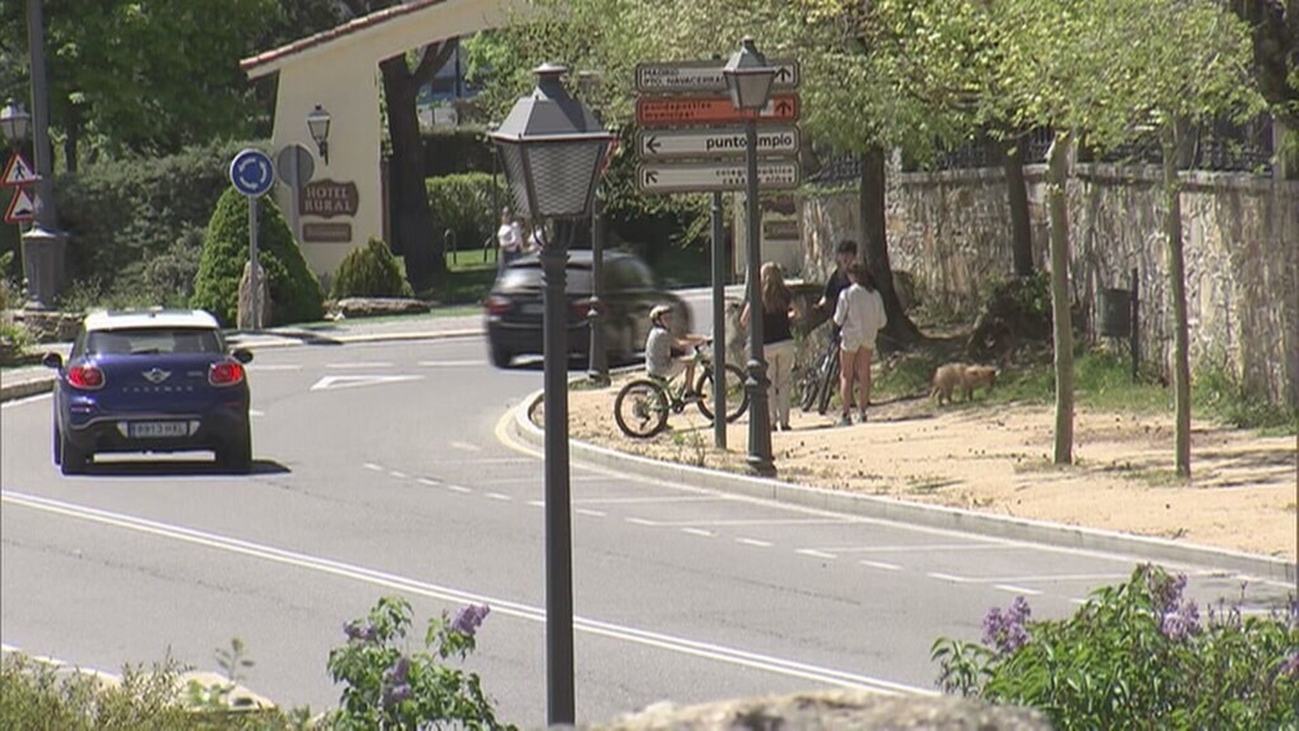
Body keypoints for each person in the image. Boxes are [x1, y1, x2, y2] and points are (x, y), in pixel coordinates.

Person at [740, 262, 797, 431]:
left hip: (765, 344)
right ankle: (785, 421)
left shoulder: (757, 296)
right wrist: (788, 317)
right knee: (785, 382)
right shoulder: (785, 294)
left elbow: (743, 320)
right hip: (785, 341)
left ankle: (771, 421)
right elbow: (798, 312)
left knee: (769, 383)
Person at [833, 261, 887, 426]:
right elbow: (882, 321)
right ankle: (863, 412)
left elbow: (838, 318)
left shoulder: (847, 294)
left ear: (852, 276)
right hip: (868, 337)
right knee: (865, 374)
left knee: (846, 375)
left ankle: (845, 413)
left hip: (850, 337)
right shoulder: (875, 295)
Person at [645, 304, 708, 399]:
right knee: (691, 362)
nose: (669, 321)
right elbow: (679, 344)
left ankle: (684, 389)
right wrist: (700, 341)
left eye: (669, 318)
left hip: (654, 366)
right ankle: (689, 393)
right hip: (662, 367)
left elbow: (682, 337)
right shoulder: (662, 334)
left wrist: (702, 338)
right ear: (658, 321)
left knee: (684, 359)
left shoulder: (656, 331)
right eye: (665, 319)